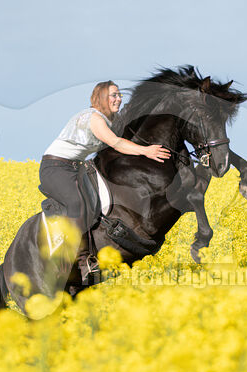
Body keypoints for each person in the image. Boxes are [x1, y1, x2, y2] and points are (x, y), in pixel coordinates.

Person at [40, 80, 171, 284]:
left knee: (96, 204)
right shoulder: (94, 118)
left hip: (77, 167)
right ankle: (82, 261)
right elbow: (116, 143)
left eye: (119, 95)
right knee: (77, 203)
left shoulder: (111, 119)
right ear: (101, 98)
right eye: (114, 95)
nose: (118, 99)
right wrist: (147, 151)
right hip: (56, 168)